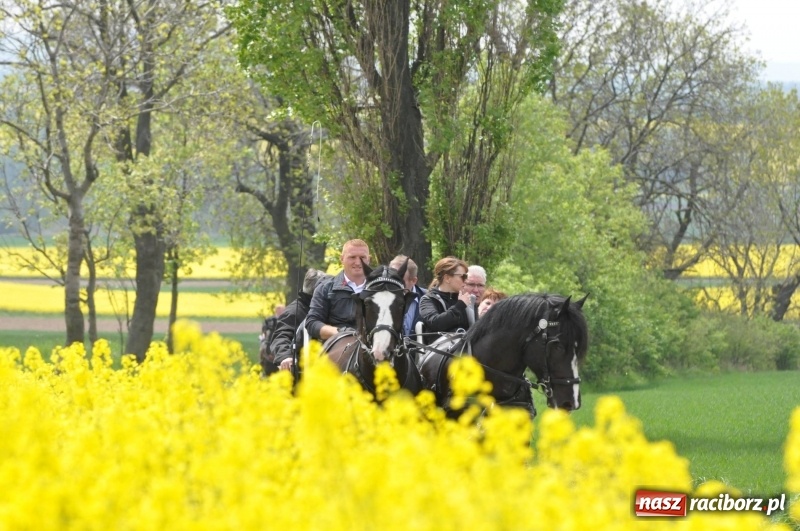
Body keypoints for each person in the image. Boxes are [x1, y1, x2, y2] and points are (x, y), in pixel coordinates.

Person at [268, 268, 332, 374]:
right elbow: (281, 337)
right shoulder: (293, 312)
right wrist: (286, 356)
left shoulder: (329, 309)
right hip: (304, 370)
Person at [305, 239, 371, 341]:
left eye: (362, 257)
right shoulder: (325, 289)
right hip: (337, 346)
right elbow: (312, 323)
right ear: (342, 259)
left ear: (369, 259)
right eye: (352, 257)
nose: (358, 262)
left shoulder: (380, 290)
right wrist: (341, 332)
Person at [418, 256, 474, 343]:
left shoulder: (468, 299)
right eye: (463, 277)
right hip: (439, 349)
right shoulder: (428, 299)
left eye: (466, 277)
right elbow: (436, 323)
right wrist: (459, 306)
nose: (466, 281)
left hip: (466, 347)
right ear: (447, 278)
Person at [389, 254, 426, 338]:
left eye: (399, 280)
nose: (394, 284)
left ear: (413, 280)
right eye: (392, 279)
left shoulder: (428, 298)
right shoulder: (382, 299)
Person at [258, 304, 285, 376]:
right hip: (269, 339)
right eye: (279, 310)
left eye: (282, 310)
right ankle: (261, 364)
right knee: (262, 348)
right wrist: (264, 338)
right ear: (276, 310)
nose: (280, 311)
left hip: (282, 339)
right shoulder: (269, 320)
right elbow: (264, 331)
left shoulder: (287, 319)